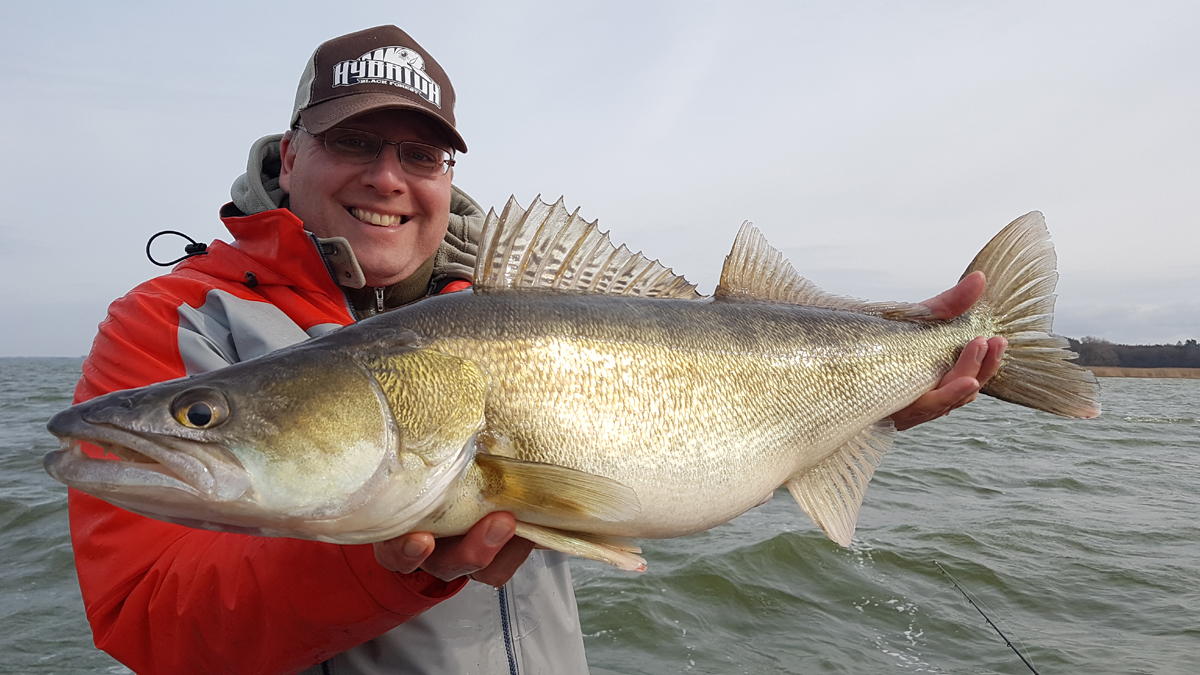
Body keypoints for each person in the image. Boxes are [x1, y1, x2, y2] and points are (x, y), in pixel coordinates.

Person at [66, 25, 1006, 675]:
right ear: (291, 153)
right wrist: (396, 560)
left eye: (422, 155)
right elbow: (149, 619)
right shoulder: (176, 322)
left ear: (446, 177)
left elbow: (725, 404)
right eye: (356, 139)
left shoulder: (501, 308)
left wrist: (890, 375)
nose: (389, 176)